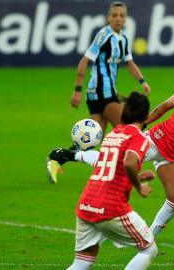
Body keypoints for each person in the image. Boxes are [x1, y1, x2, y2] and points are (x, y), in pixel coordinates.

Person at [56, 67, 174, 237]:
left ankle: (149, 236)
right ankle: (72, 155)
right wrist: (139, 128)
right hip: (155, 140)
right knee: (117, 163)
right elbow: (162, 108)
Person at [49, 92, 157, 270]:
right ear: (146, 116)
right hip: (111, 208)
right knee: (148, 250)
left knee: (82, 262)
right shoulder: (138, 138)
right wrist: (139, 187)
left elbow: (109, 167)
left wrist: (137, 176)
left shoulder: (113, 134)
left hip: (86, 205)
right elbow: (129, 161)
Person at [47, 1, 151, 184]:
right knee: (129, 129)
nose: (118, 19)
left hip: (106, 92)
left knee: (91, 140)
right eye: (114, 15)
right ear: (108, 17)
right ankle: (127, 175)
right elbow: (84, 61)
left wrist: (142, 81)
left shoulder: (123, 38)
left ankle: (57, 158)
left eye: (121, 16)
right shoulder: (104, 35)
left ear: (125, 19)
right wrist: (77, 90)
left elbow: (130, 63)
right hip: (100, 92)